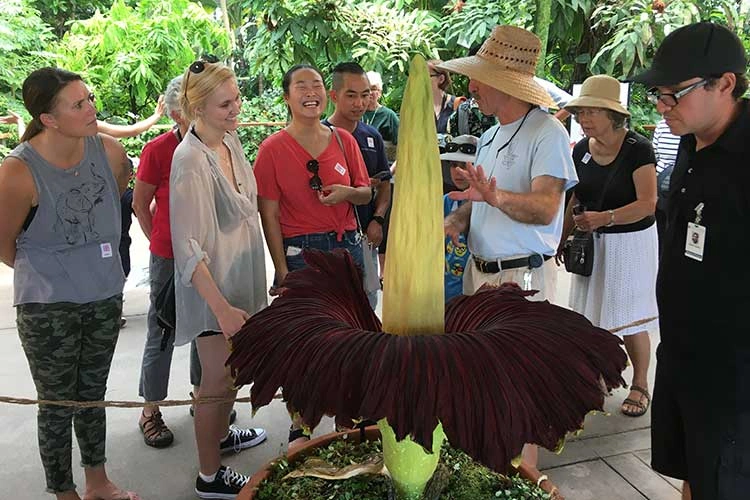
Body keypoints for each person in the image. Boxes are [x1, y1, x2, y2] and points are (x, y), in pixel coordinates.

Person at [440, 25, 578, 469]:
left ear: (505, 84)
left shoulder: (547, 133)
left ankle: (526, 475)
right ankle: (492, 468)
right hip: (480, 274)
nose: (472, 86)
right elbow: (480, 206)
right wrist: (457, 218)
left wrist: (493, 196)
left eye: (478, 78)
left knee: (522, 385)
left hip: (521, 276)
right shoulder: (490, 136)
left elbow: (544, 208)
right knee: (482, 380)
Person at [0, 67, 137, 500]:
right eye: (78, 104)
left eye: (90, 98)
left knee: (91, 394)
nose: (92, 108)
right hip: (48, 307)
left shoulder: (111, 153)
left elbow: (113, 202)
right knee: (57, 404)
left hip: (104, 294)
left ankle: (97, 482)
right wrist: (53, 271)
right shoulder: (18, 172)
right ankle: (65, 493)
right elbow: (5, 244)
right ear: (49, 119)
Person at [630, 22, 750, 500]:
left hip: (734, 373)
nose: (662, 107)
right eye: (658, 95)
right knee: (694, 476)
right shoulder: (688, 144)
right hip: (682, 353)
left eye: (672, 95)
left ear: (725, 83)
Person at [253, 63, 371, 449]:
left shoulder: (344, 141)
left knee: (348, 335)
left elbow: (366, 192)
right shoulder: (271, 149)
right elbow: (268, 212)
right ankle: (301, 422)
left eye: (317, 85)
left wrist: (346, 193)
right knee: (302, 340)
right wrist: (281, 268)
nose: (311, 91)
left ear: (326, 94)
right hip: (300, 252)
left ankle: (347, 419)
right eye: (301, 86)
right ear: (287, 97)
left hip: (345, 248)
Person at [170, 60, 268, 498]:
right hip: (213, 293)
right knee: (215, 381)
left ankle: (223, 438)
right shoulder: (190, 160)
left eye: (237, 99)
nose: (236, 109)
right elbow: (188, 250)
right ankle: (209, 476)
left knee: (230, 377)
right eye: (225, 104)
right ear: (198, 108)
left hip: (239, 280)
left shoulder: (230, 140)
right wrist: (223, 308)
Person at [557, 74, 658, 418]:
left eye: (590, 113)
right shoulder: (582, 150)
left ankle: (641, 383)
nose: (583, 120)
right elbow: (575, 198)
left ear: (613, 115)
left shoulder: (638, 150)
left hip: (631, 244)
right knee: (590, 315)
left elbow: (648, 203)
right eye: (580, 113)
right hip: (592, 244)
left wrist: (607, 218)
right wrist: (563, 234)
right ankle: (595, 380)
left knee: (628, 316)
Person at [323, 61, 392, 308]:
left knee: (367, 304)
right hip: (329, 242)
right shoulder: (317, 135)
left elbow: (385, 184)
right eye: (351, 96)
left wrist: (378, 220)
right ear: (333, 96)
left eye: (365, 95)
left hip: (365, 239)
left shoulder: (372, 136)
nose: (360, 103)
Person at [440, 135, 475, 302]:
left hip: (476, 290)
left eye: (465, 165)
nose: (458, 172)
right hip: (447, 292)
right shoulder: (447, 201)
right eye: (454, 165)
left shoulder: (488, 203)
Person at [651, 117, 680, 251]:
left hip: (661, 180)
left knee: (660, 223)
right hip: (680, 179)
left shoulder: (661, 125)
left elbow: (654, 154)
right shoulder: (691, 126)